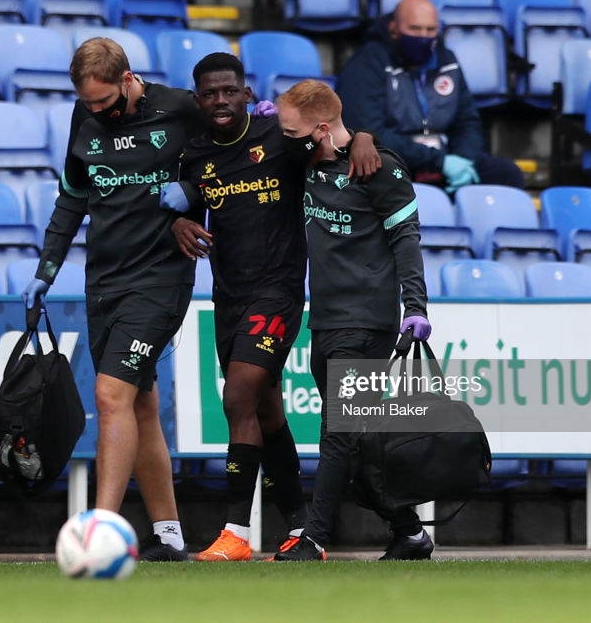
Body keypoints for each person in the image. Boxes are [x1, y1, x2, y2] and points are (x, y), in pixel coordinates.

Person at [162, 53, 382, 561]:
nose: (220, 101)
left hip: (278, 292)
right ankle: (300, 528)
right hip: (228, 295)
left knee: (238, 397)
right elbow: (191, 209)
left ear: (245, 93)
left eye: (229, 91)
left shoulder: (277, 139)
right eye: (210, 94)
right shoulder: (194, 155)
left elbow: (334, 136)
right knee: (265, 408)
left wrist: (367, 138)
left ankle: (235, 532)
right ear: (198, 101)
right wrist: (178, 223)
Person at [21, 37, 205, 562]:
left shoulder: (182, 110)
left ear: (128, 80)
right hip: (104, 280)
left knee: (109, 395)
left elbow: (233, 160)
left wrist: (193, 195)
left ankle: (101, 531)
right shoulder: (86, 118)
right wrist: (45, 272)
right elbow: (72, 198)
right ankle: (168, 537)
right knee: (139, 403)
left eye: (103, 101)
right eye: (87, 102)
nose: (96, 110)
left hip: (161, 279)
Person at [272, 80, 434, 562]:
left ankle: (314, 538)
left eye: (291, 131)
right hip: (323, 320)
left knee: (338, 432)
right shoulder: (306, 158)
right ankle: (408, 532)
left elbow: (406, 238)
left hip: (365, 321)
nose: (284, 139)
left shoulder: (377, 169)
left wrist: (415, 307)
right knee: (359, 437)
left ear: (320, 129)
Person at [335, 0, 524, 194]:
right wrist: (438, 161)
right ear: (394, 28)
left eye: (430, 30)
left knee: (505, 174)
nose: (423, 37)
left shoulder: (447, 60)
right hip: (396, 161)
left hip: (445, 159)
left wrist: (464, 160)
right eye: (415, 29)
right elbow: (368, 132)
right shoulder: (367, 64)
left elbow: (467, 121)